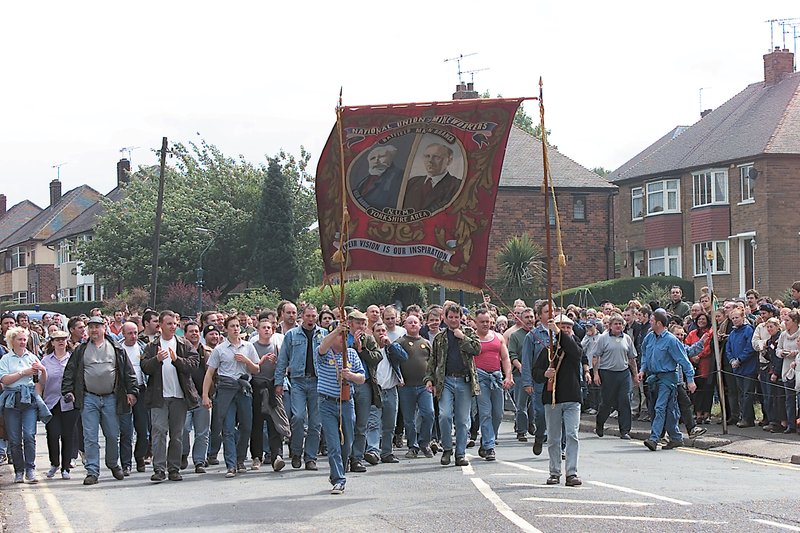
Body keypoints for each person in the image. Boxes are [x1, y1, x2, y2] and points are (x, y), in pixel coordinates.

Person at [62, 316, 138, 485]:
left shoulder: (116, 348)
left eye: (97, 327)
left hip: (111, 397)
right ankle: (92, 471)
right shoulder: (81, 350)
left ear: (105, 328)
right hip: (89, 398)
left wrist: (132, 392)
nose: (94, 330)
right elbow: (70, 372)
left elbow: (128, 372)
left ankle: (112, 463)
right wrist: (68, 391)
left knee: (112, 435)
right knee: (90, 437)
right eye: (91, 327)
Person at [141, 311, 200, 482]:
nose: (173, 326)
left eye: (175, 323)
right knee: (159, 431)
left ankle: (173, 468)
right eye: (169, 323)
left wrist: (177, 360)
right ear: (160, 326)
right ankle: (159, 468)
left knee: (177, 434)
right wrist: (156, 359)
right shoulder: (152, 346)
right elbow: (145, 366)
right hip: (159, 397)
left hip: (179, 397)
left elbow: (193, 365)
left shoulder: (184, 344)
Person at [202, 315, 260, 478]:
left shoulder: (248, 346)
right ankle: (231, 464)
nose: (235, 328)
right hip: (226, 389)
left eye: (237, 326)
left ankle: (241, 459)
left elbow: (256, 369)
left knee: (246, 426)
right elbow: (209, 373)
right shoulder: (220, 349)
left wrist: (246, 361)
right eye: (232, 326)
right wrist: (205, 395)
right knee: (227, 428)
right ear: (226, 329)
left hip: (243, 389)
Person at [425, 303, 481, 467]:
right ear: (445, 318)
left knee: (463, 421)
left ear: (461, 318)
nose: (454, 320)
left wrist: (462, 338)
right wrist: (429, 378)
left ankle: (460, 453)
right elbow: (433, 360)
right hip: (446, 380)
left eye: (457, 317)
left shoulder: (468, 332)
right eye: (451, 317)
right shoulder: (440, 338)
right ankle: (447, 448)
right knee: (444, 415)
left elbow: (477, 349)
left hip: (464, 380)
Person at [531, 314, 584, 487]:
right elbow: (536, 373)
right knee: (554, 438)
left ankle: (572, 472)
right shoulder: (548, 350)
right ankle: (554, 472)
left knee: (572, 435)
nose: (565, 330)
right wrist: (544, 374)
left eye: (568, 327)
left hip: (572, 397)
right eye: (562, 326)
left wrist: (559, 332)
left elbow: (575, 353)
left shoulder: (574, 344)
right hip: (552, 399)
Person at [275, 304, 326, 471]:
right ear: (302, 317)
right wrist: (279, 382)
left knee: (315, 422)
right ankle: (296, 451)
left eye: (313, 316)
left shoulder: (323, 334)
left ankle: (310, 457)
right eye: (308, 316)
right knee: (297, 417)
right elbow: (282, 360)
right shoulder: (291, 335)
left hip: (318, 381)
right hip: (297, 381)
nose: (311, 319)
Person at [317, 322, 366, 494]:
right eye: (340, 334)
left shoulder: (351, 354)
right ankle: (339, 480)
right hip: (327, 403)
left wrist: (351, 376)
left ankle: (337, 472)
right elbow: (322, 346)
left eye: (345, 334)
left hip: (346, 402)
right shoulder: (324, 352)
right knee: (333, 444)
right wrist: (336, 330)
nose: (343, 338)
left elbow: (362, 377)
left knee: (347, 442)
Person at [639, 309, 696, 451]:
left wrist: (690, 380)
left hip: (668, 378)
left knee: (660, 407)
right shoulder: (649, 337)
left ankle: (654, 438)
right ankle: (676, 438)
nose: (649, 322)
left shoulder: (671, 340)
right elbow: (645, 354)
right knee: (667, 409)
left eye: (652, 320)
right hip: (654, 378)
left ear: (659, 323)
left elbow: (684, 361)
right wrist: (642, 370)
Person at [0, 326, 49, 483]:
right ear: (12, 341)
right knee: (14, 439)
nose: (23, 342)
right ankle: (19, 471)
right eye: (19, 339)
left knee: (29, 435)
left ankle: (30, 469)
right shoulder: (6, 359)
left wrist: (43, 370)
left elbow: (42, 382)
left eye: (24, 339)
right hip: (12, 400)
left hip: (29, 399)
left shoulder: (32, 357)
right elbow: (4, 380)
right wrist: (23, 373)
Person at [473, 309, 514, 461]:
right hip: (480, 378)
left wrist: (508, 376)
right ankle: (490, 446)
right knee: (485, 413)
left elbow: (505, 358)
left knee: (498, 413)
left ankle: (487, 440)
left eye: (487, 321)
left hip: (496, 378)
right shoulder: (472, 339)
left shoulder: (498, 337)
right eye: (482, 321)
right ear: (476, 322)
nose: (485, 324)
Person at [346, 310, 383, 473]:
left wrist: (362, 350)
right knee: (347, 422)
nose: (361, 326)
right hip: (346, 384)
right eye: (358, 323)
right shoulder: (342, 337)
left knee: (361, 424)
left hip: (365, 384)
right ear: (350, 323)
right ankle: (344, 456)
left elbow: (377, 357)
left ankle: (357, 458)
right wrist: (352, 346)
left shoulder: (368, 338)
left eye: (363, 323)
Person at [592, 314, 639, 440]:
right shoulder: (603, 338)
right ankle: (600, 423)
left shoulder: (627, 339)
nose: (618, 326)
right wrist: (596, 374)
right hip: (607, 373)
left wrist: (635, 375)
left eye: (620, 324)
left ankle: (624, 431)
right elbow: (596, 357)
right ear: (610, 326)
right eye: (616, 324)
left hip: (623, 373)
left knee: (625, 401)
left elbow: (631, 358)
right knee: (607, 402)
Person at [250, 316, 287, 472]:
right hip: (256, 387)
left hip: (272, 388)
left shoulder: (277, 347)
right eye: (263, 327)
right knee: (257, 424)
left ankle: (276, 456)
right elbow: (248, 368)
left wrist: (276, 364)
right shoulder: (250, 346)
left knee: (275, 423)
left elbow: (284, 367)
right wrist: (260, 361)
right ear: (258, 330)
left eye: (269, 328)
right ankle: (256, 457)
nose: (266, 330)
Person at [41, 330, 78, 480]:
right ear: (52, 342)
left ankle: (66, 467)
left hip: (69, 402)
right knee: (53, 433)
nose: (60, 342)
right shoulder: (45, 361)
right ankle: (54, 463)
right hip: (51, 402)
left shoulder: (72, 359)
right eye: (57, 340)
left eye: (63, 339)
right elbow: (40, 382)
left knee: (68, 435)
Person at [522, 300, 555, 456]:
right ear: (539, 316)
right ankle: (540, 435)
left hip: (559, 381)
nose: (551, 314)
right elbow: (527, 360)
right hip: (540, 380)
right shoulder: (532, 336)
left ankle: (559, 445)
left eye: (553, 310)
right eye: (547, 311)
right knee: (541, 413)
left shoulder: (559, 332)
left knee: (558, 414)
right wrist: (527, 382)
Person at [182, 322, 213, 473]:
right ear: (185, 334)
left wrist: (209, 395)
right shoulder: (180, 350)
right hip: (184, 398)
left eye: (196, 331)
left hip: (203, 396)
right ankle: (182, 454)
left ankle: (199, 461)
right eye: (191, 331)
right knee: (183, 429)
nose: (194, 334)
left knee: (202, 432)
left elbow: (214, 374)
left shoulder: (208, 352)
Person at [118, 321, 148, 474]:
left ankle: (140, 457)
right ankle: (126, 463)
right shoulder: (117, 349)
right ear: (123, 334)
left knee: (143, 430)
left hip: (141, 391)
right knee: (126, 431)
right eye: (129, 333)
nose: (133, 336)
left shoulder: (143, 347)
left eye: (135, 332)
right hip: (123, 393)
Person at [402, 143, 461, 213]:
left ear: (449, 161)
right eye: (427, 156)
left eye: (436, 157)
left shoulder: (457, 185)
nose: (430, 161)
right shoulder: (412, 182)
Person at [725, 309, 758, 428]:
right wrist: (732, 360)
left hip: (748, 367)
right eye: (732, 318)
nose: (734, 320)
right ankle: (747, 416)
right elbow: (728, 349)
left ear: (743, 317)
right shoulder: (733, 333)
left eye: (737, 317)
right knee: (741, 393)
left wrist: (739, 360)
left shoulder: (748, 330)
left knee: (747, 393)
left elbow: (750, 348)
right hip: (736, 368)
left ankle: (747, 419)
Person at [507, 307, 536, 442]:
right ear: (521, 319)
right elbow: (512, 354)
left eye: (531, 317)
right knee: (521, 405)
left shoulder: (538, 334)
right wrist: (521, 367)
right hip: (520, 375)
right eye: (527, 317)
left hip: (537, 375)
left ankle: (534, 425)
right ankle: (522, 431)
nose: (530, 320)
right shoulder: (515, 336)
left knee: (536, 404)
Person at [353, 144, 405, 211]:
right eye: (373, 158)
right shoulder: (364, 181)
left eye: (381, 156)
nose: (376, 160)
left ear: (390, 158)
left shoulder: (400, 176)